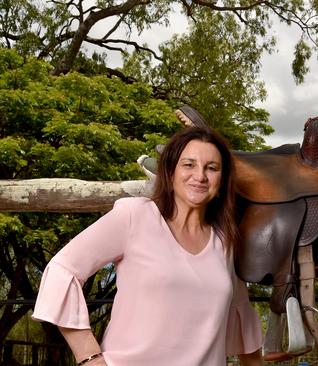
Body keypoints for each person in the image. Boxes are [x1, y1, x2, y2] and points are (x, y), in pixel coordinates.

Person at [33, 127, 263, 366]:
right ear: (170, 172)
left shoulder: (225, 240)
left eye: (212, 168)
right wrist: (90, 358)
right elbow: (62, 269)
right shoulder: (135, 216)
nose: (200, 176)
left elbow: (240, 317)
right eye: (189, 165)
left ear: (222, 180)